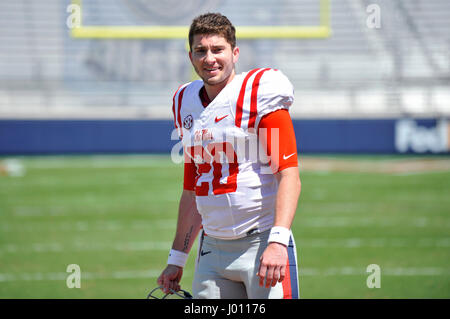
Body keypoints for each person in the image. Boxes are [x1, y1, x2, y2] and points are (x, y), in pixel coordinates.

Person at [157, 12, 301, 299]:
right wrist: (176, 259)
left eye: (217, 49)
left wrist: (277, 241)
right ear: (191, 57)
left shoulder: (258, 91)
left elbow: (289, 175)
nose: (209, 58)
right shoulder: (184, 101)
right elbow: (191, 191)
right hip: (212, 250)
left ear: (235, 53)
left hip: (260, 243)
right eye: (201, 51)